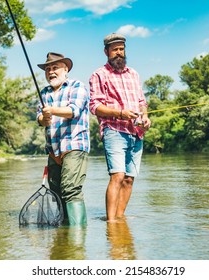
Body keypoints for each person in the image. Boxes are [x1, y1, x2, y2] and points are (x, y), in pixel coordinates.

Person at [89, 33, 151, 222]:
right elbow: (95, 107)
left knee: (129, 178)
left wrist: (145, 117)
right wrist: (121, 113)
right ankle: (111, 222)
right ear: (106, 51)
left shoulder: (134, 74)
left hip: (136, 132)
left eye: (121, 49)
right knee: (118, 175)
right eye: (114, 49)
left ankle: (119, 218)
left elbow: (142, 102)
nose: (119, 53)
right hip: (114, 130)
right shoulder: (99, 74)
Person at [36, 52, 90, 226]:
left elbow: (74, 110)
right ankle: (64, 237)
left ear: (65, 69)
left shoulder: (77, 86)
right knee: (57, 193)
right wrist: (42, 119)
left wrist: (51, 110)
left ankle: (76, 239)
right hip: (53, 150)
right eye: (48, 69)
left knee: (71, 190)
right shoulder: (43, 92)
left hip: (74, 144)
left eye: (55, 67)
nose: (51, 71)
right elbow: (39, 117)